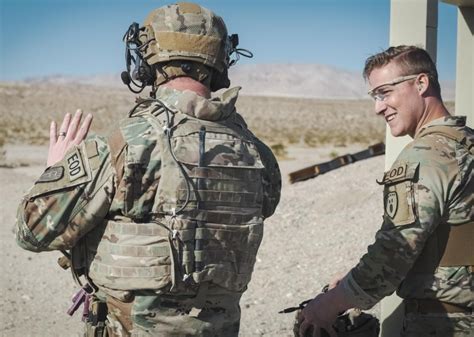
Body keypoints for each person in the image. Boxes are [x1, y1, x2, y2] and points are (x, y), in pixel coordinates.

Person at [15, 2, 281, 336]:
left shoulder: (119, 144)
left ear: (147, 60)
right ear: (220, 60)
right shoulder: (258, 154)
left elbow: (32, 231)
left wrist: (55, 169)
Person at [298, 45, 473, 337]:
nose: (378, 107)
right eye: (374, 96)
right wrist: (349, 282)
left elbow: (395, 251)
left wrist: (331, 303)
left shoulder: (425, 156)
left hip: (445, 323)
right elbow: (440, 237)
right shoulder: (464, 144)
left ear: (421, 83)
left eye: (385, 92)